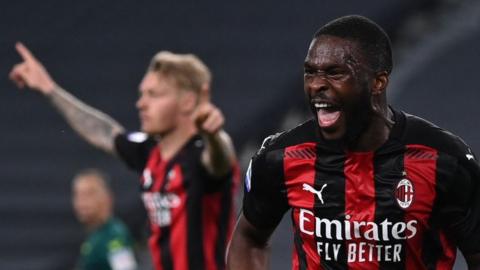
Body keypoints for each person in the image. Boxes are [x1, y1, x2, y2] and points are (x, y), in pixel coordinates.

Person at [226, 15, 480, 270]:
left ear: (378, 82)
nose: (316, 85)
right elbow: (249, 240)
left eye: (335, 73)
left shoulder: (445, 160)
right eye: (310, 72)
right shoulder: (280, 157)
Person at [10, 44, 238, 270]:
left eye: (154, 95)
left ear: (187, 101)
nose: (141, 104)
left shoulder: (201, 156)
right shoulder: (150, 153)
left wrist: (215, 136)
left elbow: (220, 161)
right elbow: (105, 133)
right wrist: (49, 89)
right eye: (142, 94)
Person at [72, 169, 137, 270]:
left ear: (107, 198)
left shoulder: (114, 236)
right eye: (78, 195)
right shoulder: (95, 235)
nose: (81, 202)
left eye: (89, 194)